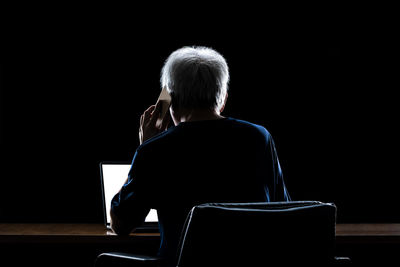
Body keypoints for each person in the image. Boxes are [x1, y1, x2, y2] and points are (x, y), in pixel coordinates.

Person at [110, 46, 291, 265]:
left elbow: (120, 224)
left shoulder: (155, 149)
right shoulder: (260, 138)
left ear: (168, 101)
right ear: (223, 98)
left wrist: (145, 146)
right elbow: (284, 211)